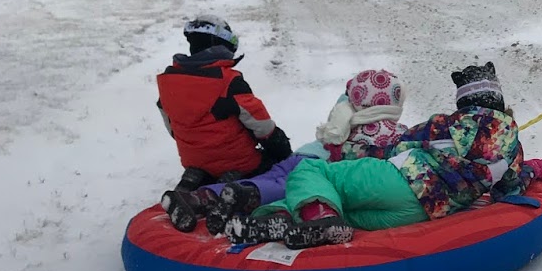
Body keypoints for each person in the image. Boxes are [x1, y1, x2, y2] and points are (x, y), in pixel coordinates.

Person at [227, 61, 542, 249]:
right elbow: (509, 188)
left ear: (463, 102)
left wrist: (356, 154)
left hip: (399, 181)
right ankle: (283, 221)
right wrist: (530, 171)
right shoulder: (513, 147)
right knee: (345, 213)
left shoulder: (444, 125)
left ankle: (301, 218)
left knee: (312, 173)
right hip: (423, 211)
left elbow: (398, 146)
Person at [172, 67, 410, 234]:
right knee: (285, 189)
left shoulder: (344, 107)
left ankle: (203, 197)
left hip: (304, 154)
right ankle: (248, 201)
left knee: (271, 178)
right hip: (319, 166)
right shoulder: (390, 131)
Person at [157, 16, 292, 230]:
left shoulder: (169, 81)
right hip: (239, 160)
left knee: (205, 164)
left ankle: (196, 178)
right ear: (221, 44)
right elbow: (261, 125)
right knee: (277, 169)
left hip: (194, 158)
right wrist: (281, 147)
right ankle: (229, 187)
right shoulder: (228, 82)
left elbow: (172, 127)